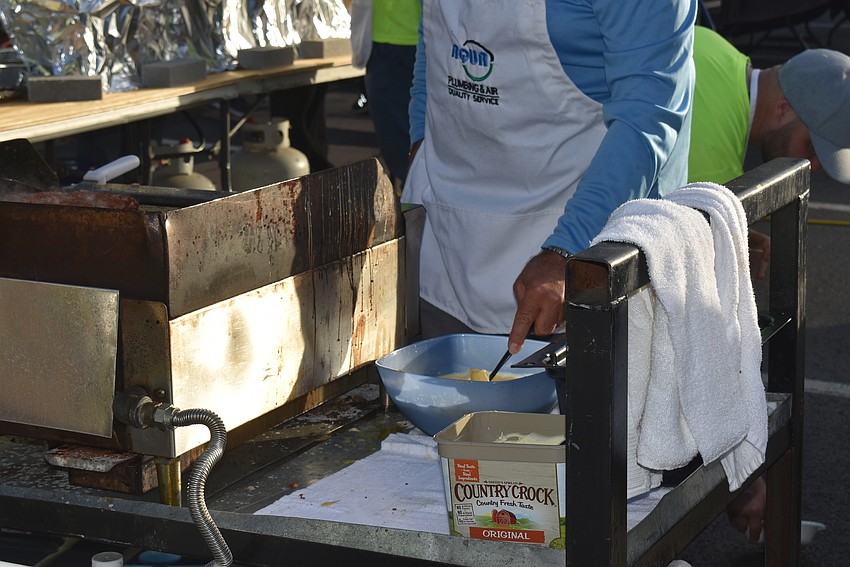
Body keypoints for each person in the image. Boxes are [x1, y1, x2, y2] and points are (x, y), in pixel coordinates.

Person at [402, 0, 696, 354]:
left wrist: (568, 251)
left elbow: (647, 115)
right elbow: (435, 41)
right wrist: (420, 144)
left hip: (577, 256)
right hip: (442, 248)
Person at [689, 25, 850, 279]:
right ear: (783, 109)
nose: (813, 166)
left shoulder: (713, 43)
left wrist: (731, 234)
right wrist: (724, 243)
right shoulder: (718, 178)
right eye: (811, 146)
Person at [350, 0, 422, 189]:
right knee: (394, 139)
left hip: (429, 42)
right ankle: (411, 200)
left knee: (430, 133)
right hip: (382, 42)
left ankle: (418, 201)